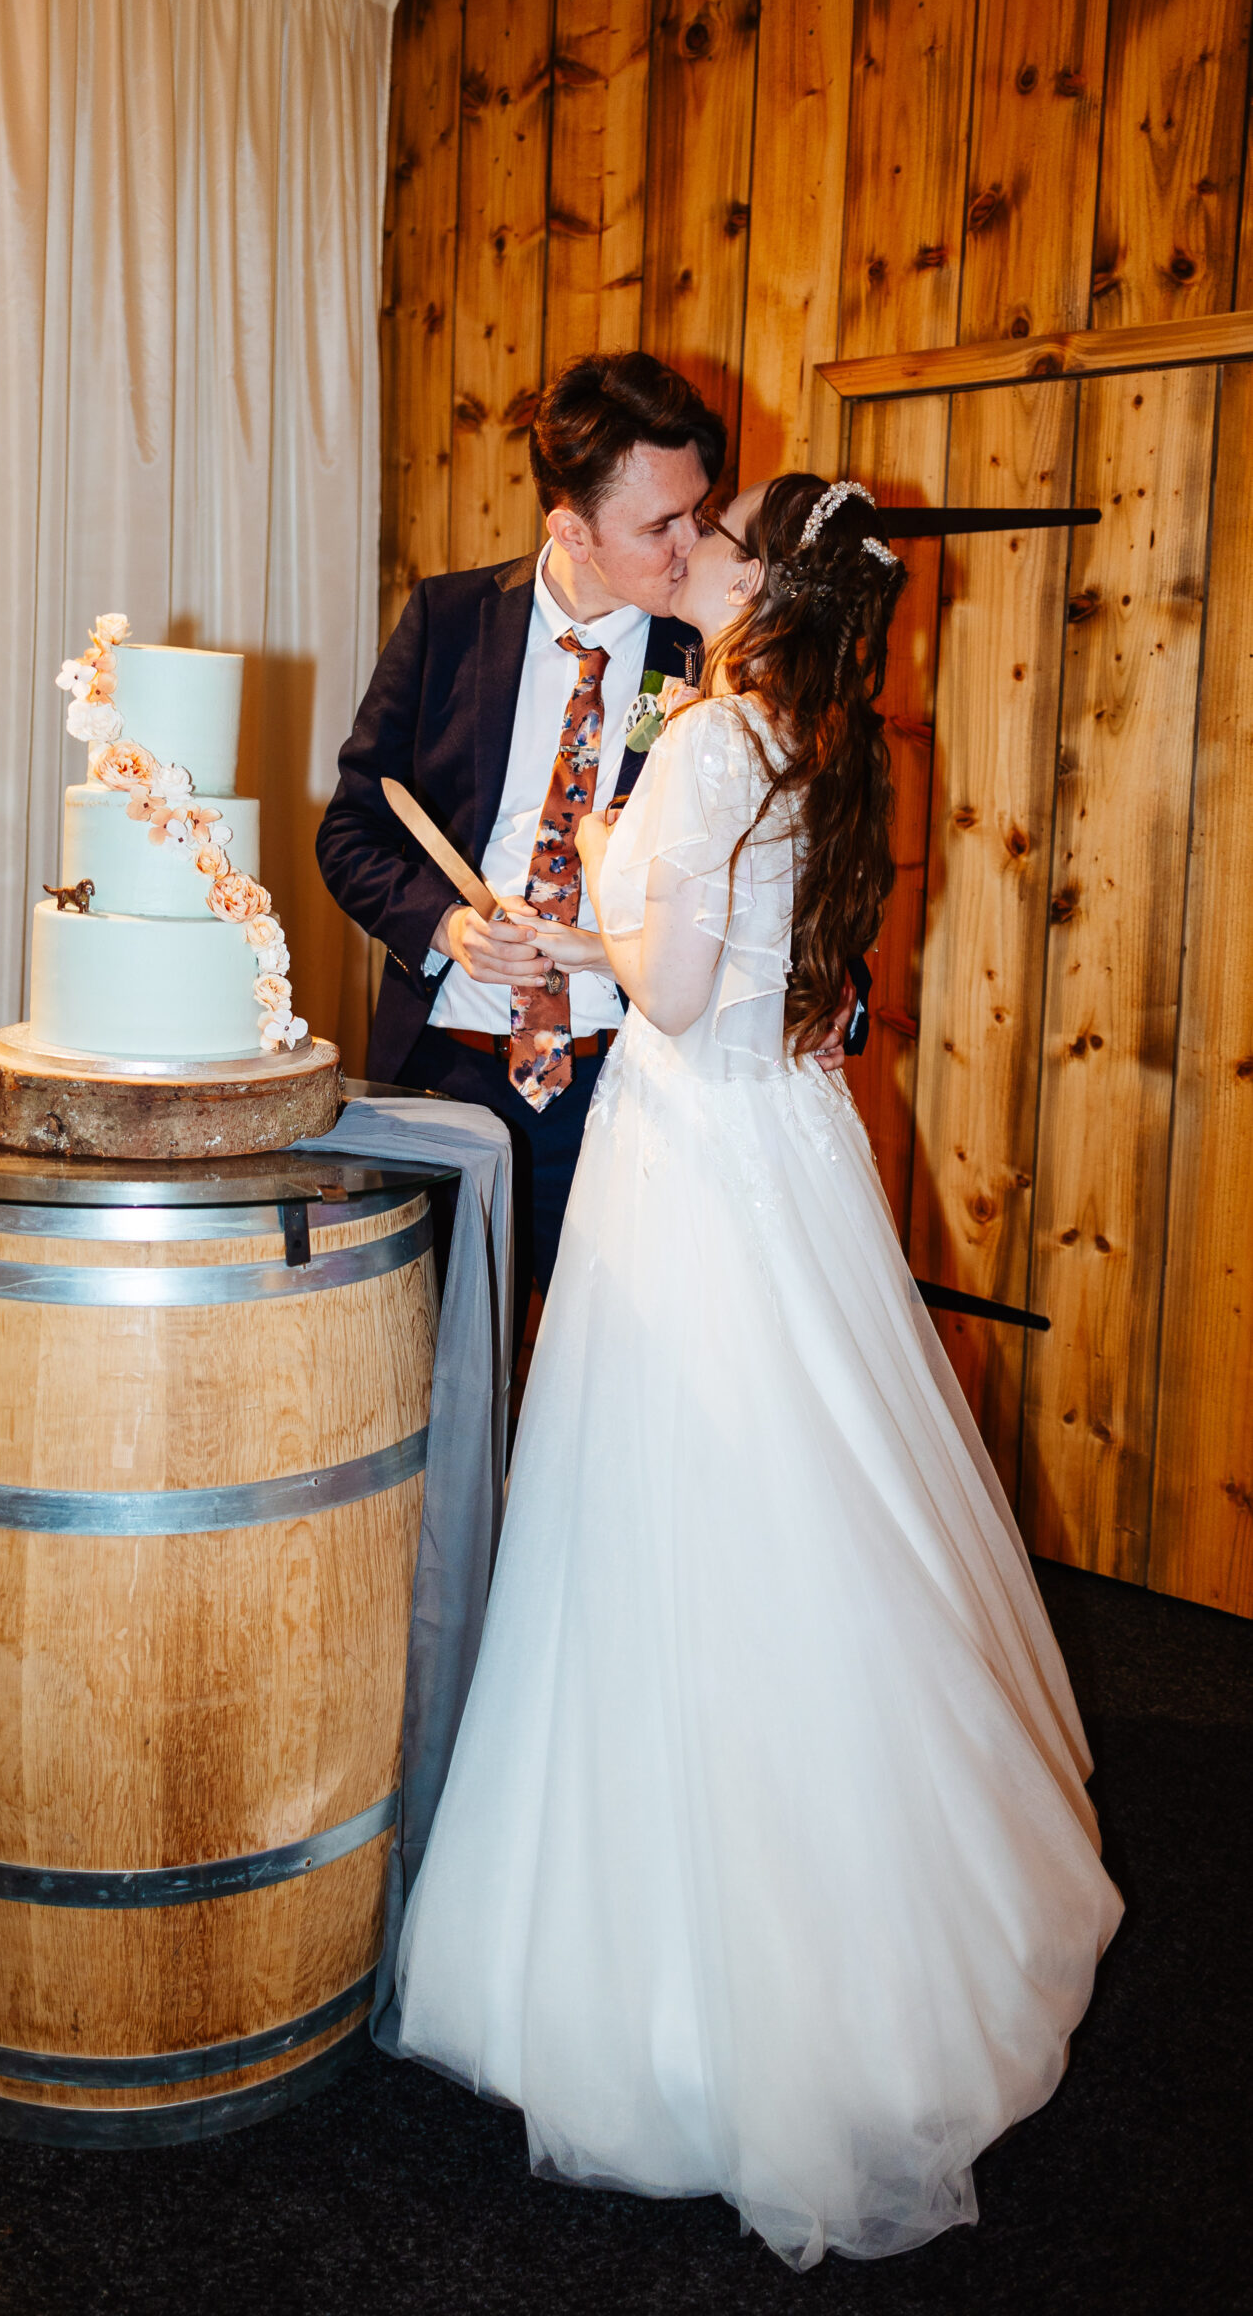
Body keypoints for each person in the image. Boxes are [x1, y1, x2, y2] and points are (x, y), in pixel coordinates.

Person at [391, 473, 1123, 2269]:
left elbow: (673, 986)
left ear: (761, 581)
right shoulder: (809, 732)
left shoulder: (712, 733)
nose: (690, 552)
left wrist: (603, 941)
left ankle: (686, 1987)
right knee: (809, 1503)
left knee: (681, 1517)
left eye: (718, 540)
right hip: (773, 1135)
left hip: (686, 1162)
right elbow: (727, 969)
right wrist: (591, 936)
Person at [318, 352, 859, 1343]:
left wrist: (833, 990)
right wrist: (444, 924)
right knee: (419, 1384)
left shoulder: (716, 643)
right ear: (569, 527)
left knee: (623, 1391)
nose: (691, 544)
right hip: (447, 1077)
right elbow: (351, 828)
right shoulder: (446, 621)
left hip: (636, 1088)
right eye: (660, 526)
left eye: (698, 512)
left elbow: (796, 848)